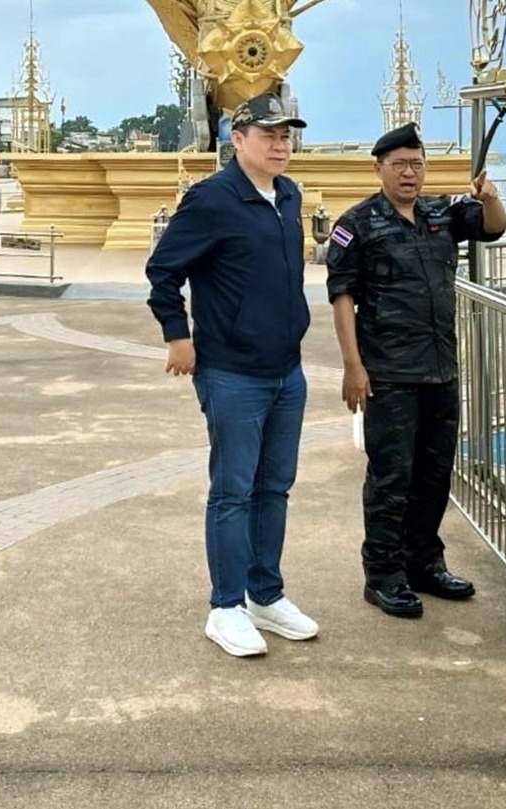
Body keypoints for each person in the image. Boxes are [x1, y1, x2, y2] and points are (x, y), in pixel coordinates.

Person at [146, 91, 318, 657]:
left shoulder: (288, 195)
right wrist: (178, 335)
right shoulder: (212, 200)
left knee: (275, 486)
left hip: (286, 370)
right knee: (233, 491)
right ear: (237, 140)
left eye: (286, 136)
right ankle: (226, 607)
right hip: (232, 372)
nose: (280, 145)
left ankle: (265, 593)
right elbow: (163, 270)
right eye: (268, 135)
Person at [325, 122, 506, 618]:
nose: (410, 173)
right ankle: (384, 574)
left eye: (417, 164)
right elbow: (342, 298)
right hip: (390, 374)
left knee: (434, 475)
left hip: (441, 369)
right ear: (379, 169)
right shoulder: (357, 224)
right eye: (400, 164)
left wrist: (490, 196)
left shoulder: (442, 212)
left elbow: (493, 226)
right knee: (391, 478)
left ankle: (425, 562)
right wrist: (353, 366)